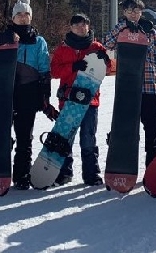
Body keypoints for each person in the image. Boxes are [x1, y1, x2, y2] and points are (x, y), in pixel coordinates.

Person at [0, 0, 52, 190]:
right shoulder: (5, 37)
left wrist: (45, 96)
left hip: (29, 94)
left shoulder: (39, 41)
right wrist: (0, 39)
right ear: (13, 17)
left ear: (31, 17)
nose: (23, 17)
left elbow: (44, 68)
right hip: (4, 94)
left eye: (26, 14)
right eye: (19, 14)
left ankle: (22, 175)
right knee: (0, 135)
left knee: (25, 138)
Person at [103, 0, 156, 166]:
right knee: (125, 128)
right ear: (124, 12)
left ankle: (152, 165)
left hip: (150, 87)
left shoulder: (151, 32)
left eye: (137, 11)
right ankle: (121, 164)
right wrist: (122, 27)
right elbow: (107, 45)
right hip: (127, 88)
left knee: (152, 130)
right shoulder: (121, 30)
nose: (134, 14)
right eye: (130, 11)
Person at [50, 13, 111, 187]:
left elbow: (107, 69)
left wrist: (105, 61)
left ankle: (91, 174)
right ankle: (64, 173)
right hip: (68, 100)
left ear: (88, 26)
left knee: (88, 138)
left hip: (89, 101)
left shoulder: (96, 47)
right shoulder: (63, 48)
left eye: (83, 25)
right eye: (76, 25)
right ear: (70, 27)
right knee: (65, 138)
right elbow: (54, 71)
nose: (80, 28)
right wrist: (72, 67)